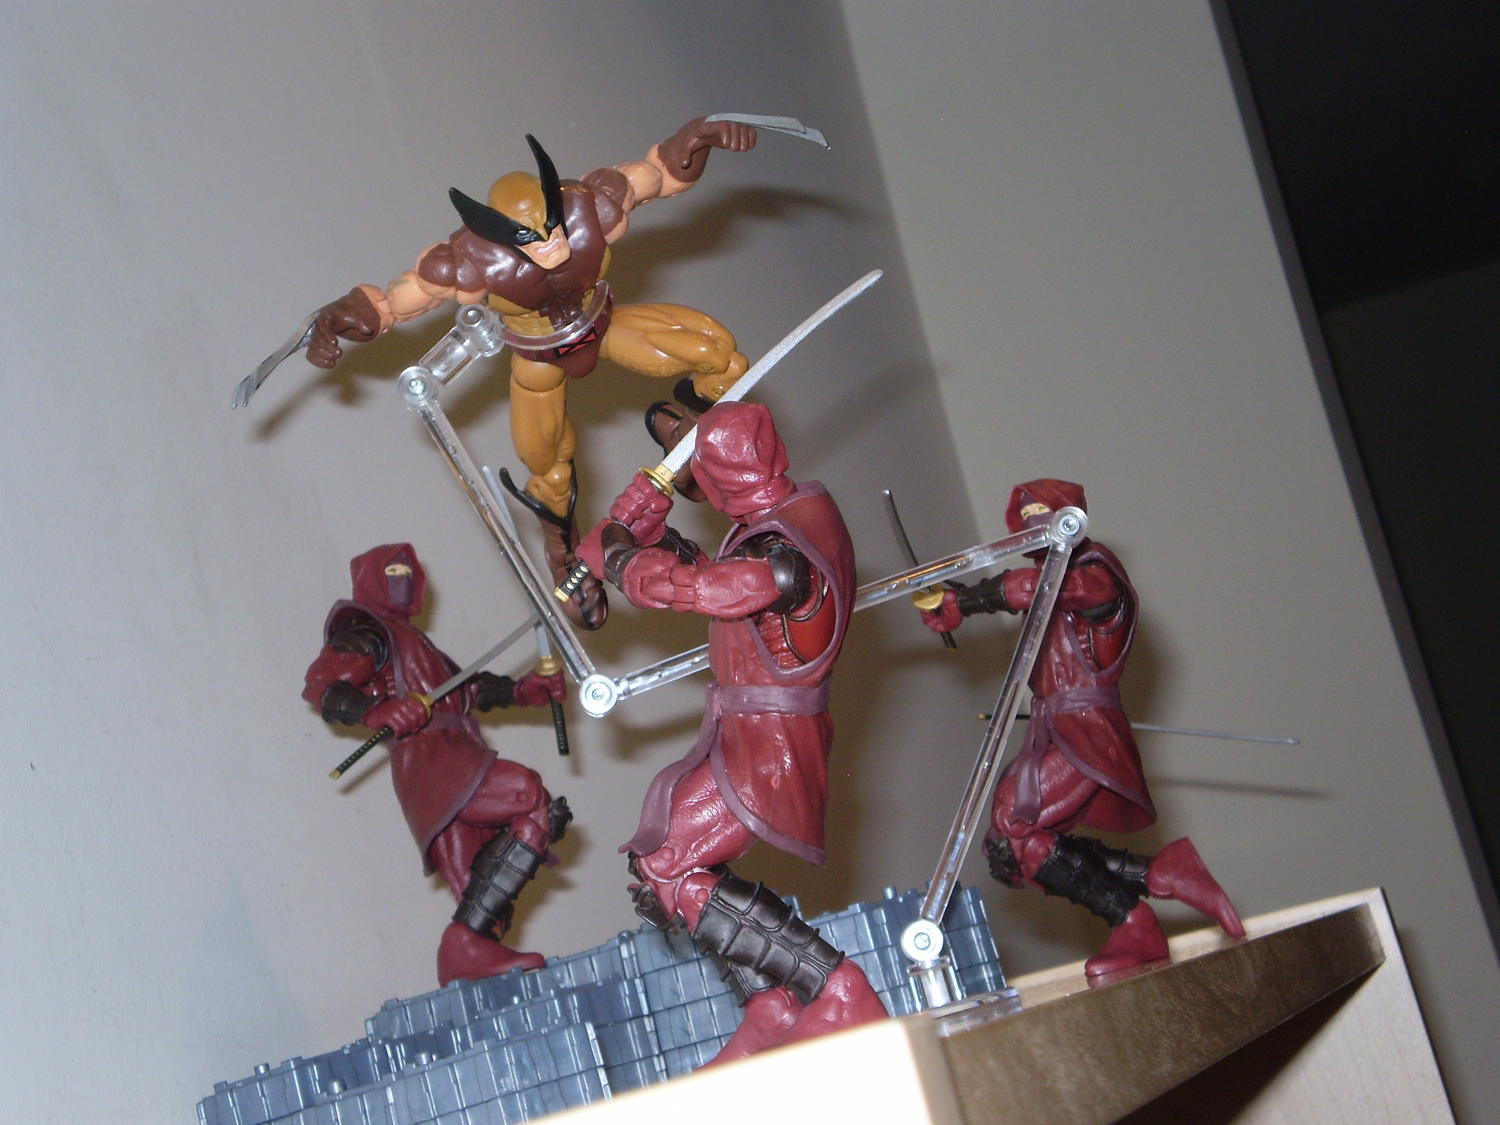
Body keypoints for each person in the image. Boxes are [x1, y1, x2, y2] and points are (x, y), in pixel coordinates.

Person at [303, 118, 760, 629]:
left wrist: (696, 141)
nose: (552, 245)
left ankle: (699, 442)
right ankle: (563, 550)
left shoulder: (592, 205)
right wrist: (342, 316)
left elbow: (660, 173)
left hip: (605, 325)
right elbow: (394, 304)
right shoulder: (468, 264)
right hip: (539, 357)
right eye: (532, 240)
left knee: (719, 355)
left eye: (552, 228)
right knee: (547, 465)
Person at [579, 402, 887, 1061]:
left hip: (771, 741)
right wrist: (643, 531)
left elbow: (710, 589)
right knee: (661, 859)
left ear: (713, 480)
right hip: (748, 728)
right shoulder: (784, 514)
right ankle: (769, 1005)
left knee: (669, 862)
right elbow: (706, 575)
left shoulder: (782, 549)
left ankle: (838, 987)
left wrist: (621, 556)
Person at [921, 480, 1245, 977]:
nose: (1033, 523)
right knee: (1007, 848)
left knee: (1014, 826)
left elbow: (1037, 588)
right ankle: (1160, 874)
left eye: (1043, 512)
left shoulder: (1097, 575)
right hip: (1055, 727)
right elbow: (1032, 590)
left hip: (1088, 730)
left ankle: (1133, 920)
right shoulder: (1051, 580)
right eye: (1025, 516)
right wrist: (955, 600)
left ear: (1068, 517)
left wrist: (967, 601)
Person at [303, 543, 570, 985]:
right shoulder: (368, 634)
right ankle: (464, 943)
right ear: (372, 579)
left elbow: (464, 689)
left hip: (455, 751)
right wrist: (375, 711)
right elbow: (322, 685)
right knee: (528, 794)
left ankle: (467, 949)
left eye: (408, 573)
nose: (403, 581)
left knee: (479, 890)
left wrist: (521, 691)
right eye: (392, 573)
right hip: (429, 758)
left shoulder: (412, 642)